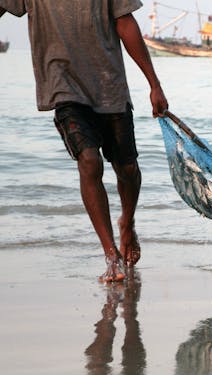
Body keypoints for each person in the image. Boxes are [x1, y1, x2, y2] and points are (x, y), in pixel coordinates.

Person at [0, 1, 169, 282]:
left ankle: (127, 223)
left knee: (127, 169)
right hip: (62, 84)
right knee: (89, 161)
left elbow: (125, 23)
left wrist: (154, 84)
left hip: (109, 84)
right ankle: (110, 254)